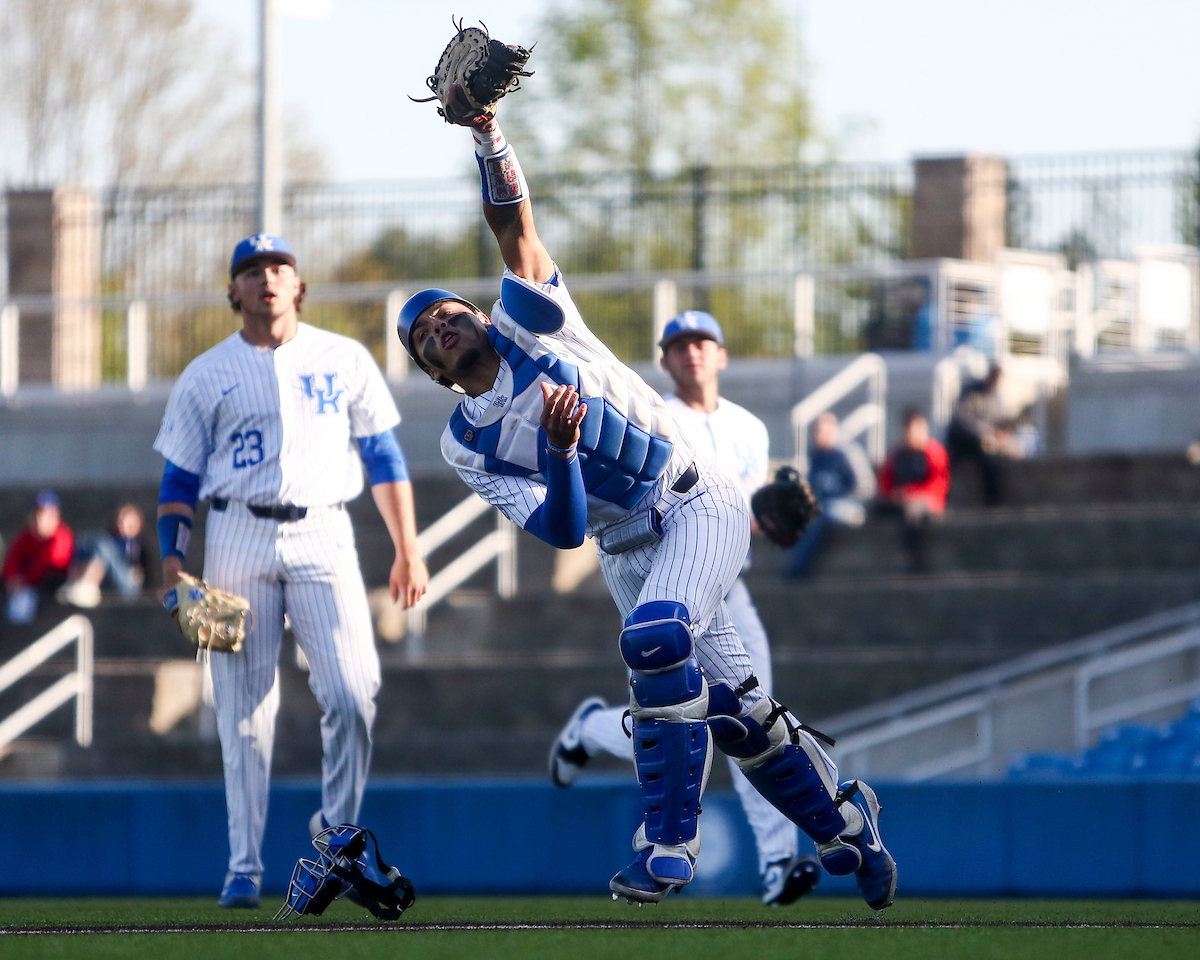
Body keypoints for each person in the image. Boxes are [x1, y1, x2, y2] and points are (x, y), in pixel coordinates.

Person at [394, 96, 895, 910]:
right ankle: (847, 823)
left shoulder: (533, 324)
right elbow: (559, 529)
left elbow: (513, 224)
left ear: (479, 314)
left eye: (449, 312)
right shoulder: (465, 443)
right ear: (431, 371)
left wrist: (487, 132)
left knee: (657, 640)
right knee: (739, 716)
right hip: (622, 547)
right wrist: (558, 453)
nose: (440, 327)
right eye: (425, 336)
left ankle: (666, 846)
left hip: (694, 500)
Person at [153, 233, 429, 909]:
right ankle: (243, 866)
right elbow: (178, 479)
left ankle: (335, 835)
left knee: (355, 691)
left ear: (297, 285)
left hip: (325, 530)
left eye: (278, 267)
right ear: (234, 291)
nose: (267, 278)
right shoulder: (205, 373)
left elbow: (384, 456)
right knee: (244, 713)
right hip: (237, 534)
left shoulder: (343, 357)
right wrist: (172, 565)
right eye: (252, 270)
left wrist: (408, 545)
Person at [548, 309, 821, 906]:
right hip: (661, 582)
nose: (693, 352)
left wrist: (763, 521)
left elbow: (732, 509)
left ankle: (779, 863)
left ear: (721, 355)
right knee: (669, 721)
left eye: (703, 342)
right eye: (680, 345)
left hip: (730, 585)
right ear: (665, 358)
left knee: (756, 716)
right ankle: (592, 729)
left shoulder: (750, 428)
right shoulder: (653, 410)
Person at [785, 412, 866, 578]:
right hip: (824, 507)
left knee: (819, 515)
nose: (818, 436)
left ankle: (798, 569)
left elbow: (865, 487)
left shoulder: (847, 453)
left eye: (823, 432)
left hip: (851, 506)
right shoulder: (815, 456)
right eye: (816, 432)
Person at [877, 409, 950, 572]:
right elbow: (886, 480)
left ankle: (910, 559)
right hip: (901, 500)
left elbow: (939, 483)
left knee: (912, 511)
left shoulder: (934, 452)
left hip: (927, 500)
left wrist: (911, 492)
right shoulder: (897, 453)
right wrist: (893, 494)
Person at [946, 363, 1019, 506]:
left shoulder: (996, 397)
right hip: (963, 442)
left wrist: (1002, 434)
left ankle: (993, 502)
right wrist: (986, 433)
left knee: (994, 462)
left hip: (987, 444)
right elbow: (962, 420)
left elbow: (1001, 422)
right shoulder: (971, 391)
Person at [58, 503, 151, 608]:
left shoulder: (137, 543)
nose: (122, 522)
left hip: (128, 585)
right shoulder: (111, 538)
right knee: (87, 543)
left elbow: (147, 569)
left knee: (102, 546)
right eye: (120, 518)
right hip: (107, 582)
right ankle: (80, 584)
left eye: (127, 519)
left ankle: (85, 585)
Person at [3, 491, 74, 624]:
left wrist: (24, 581)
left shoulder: (61, 536)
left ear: (54, 515)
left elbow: (51, 562)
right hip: (23, 586)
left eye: (43, 514)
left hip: (48, 587)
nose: (38, 519)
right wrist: (12, 578)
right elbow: (12, 559)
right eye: (36, 514)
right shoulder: (27, 535)